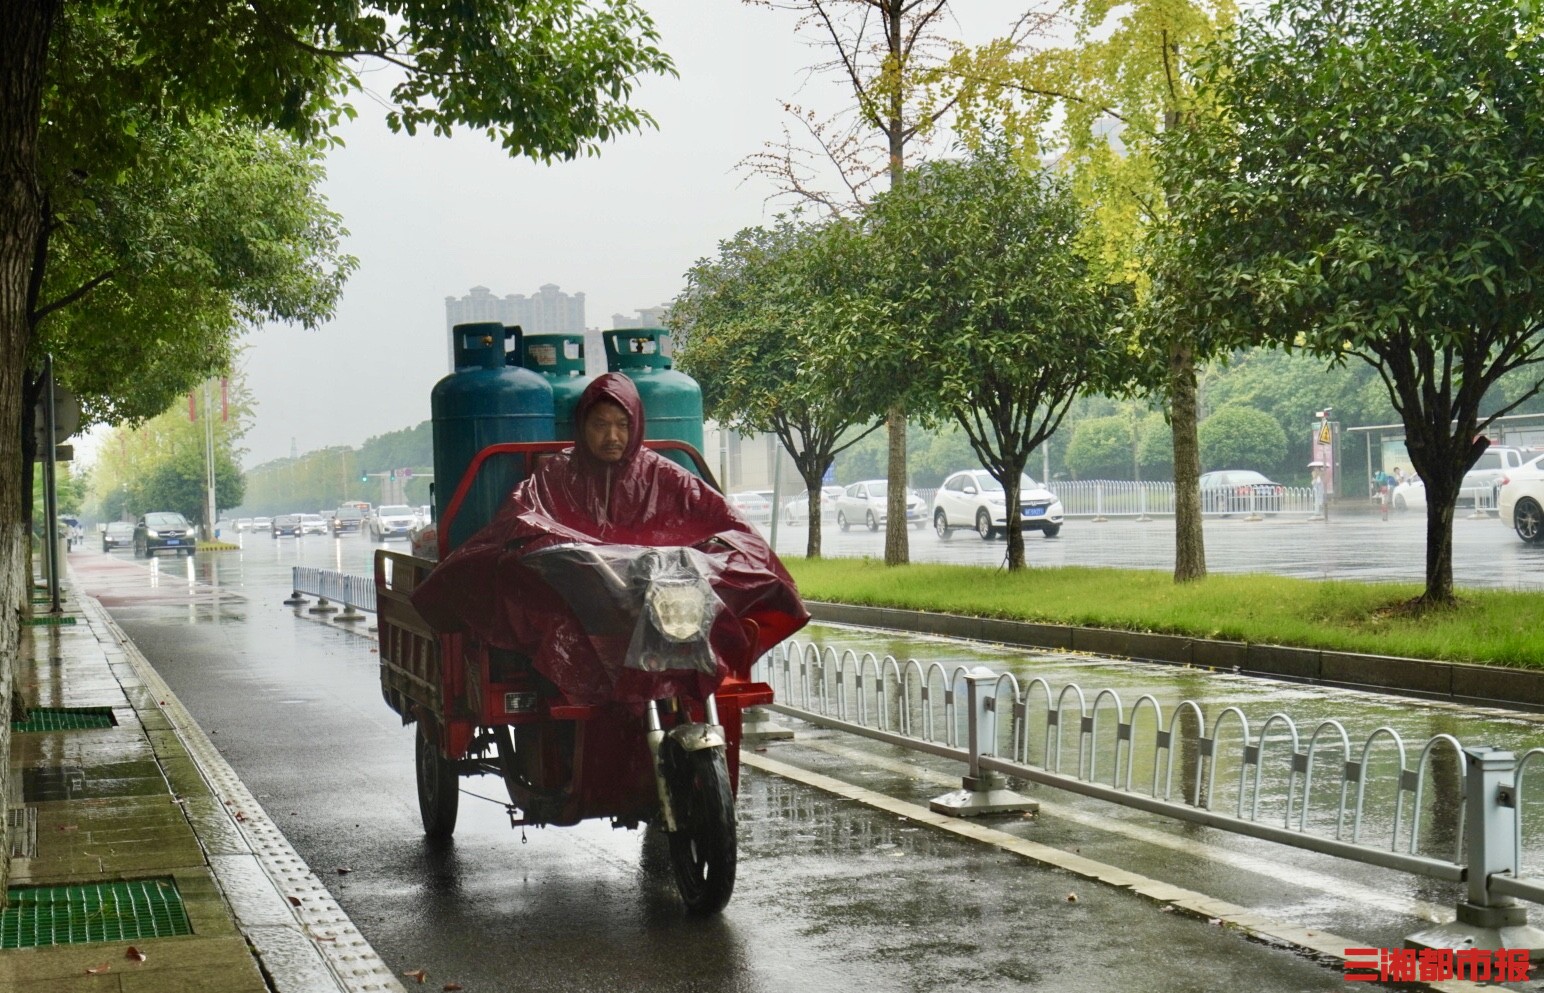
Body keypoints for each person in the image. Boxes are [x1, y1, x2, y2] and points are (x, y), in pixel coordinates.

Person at [412, 372, 808, 705]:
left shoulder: (662, 474)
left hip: (661, 607)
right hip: (585, 611)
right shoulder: (556, 475)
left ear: (636, 425)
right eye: (601, 425)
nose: (612, 436)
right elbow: (523, 518)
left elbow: (723, 521)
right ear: (583, 426)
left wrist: (724, 553)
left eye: (622, 425)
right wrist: (563, 552)